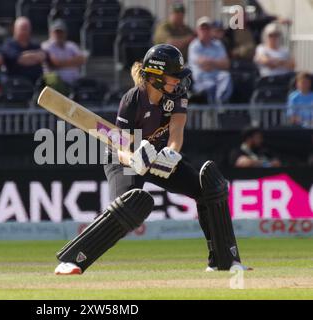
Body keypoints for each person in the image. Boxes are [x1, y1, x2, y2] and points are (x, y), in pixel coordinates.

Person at [54, 44, 251, 275]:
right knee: (126, 207)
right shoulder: (132, 100)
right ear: (155, 77)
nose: (178, 81)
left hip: (159, 155)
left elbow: (177, 131)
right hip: (124, 159)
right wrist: (134, 161)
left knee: (208, 189)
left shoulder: (177, 95)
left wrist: (172, 152)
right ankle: (73, 260)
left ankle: (223, 261)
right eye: (173, 76)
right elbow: (120, 147)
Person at [188, 16, 233, 104]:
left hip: (216, 77)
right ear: (197, 30)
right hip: (201, 81)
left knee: (226, 76)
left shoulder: (218, 44)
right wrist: (217, 63)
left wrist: (210, 63)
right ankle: (214, 109)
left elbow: (226, 64)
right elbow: (202, 63)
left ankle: (220, 104)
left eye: (207, 28)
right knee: (210, 86)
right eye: (202, 28)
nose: (205, 31)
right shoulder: (194, 46)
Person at [41, 19, 87, 95]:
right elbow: (56, 63)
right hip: (57, 84)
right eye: (56, 32)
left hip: (75, 82)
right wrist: (74, 62)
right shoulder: (46, 46)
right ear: (51, 33)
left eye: (61, 32)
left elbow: (82, 59)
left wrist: (62, 63)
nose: (59, 35)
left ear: (65, 33)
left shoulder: (71, 45)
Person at [1, 16, 47, 84]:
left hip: (37, 82)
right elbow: (20, 59)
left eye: (26, 29)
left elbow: (42, 56)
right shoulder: (9, 44)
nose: (24, 31)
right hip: (17, 84)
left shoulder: (35, 44)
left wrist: (25, 56)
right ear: (15, 29)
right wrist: (34, 56)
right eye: (22, 29)